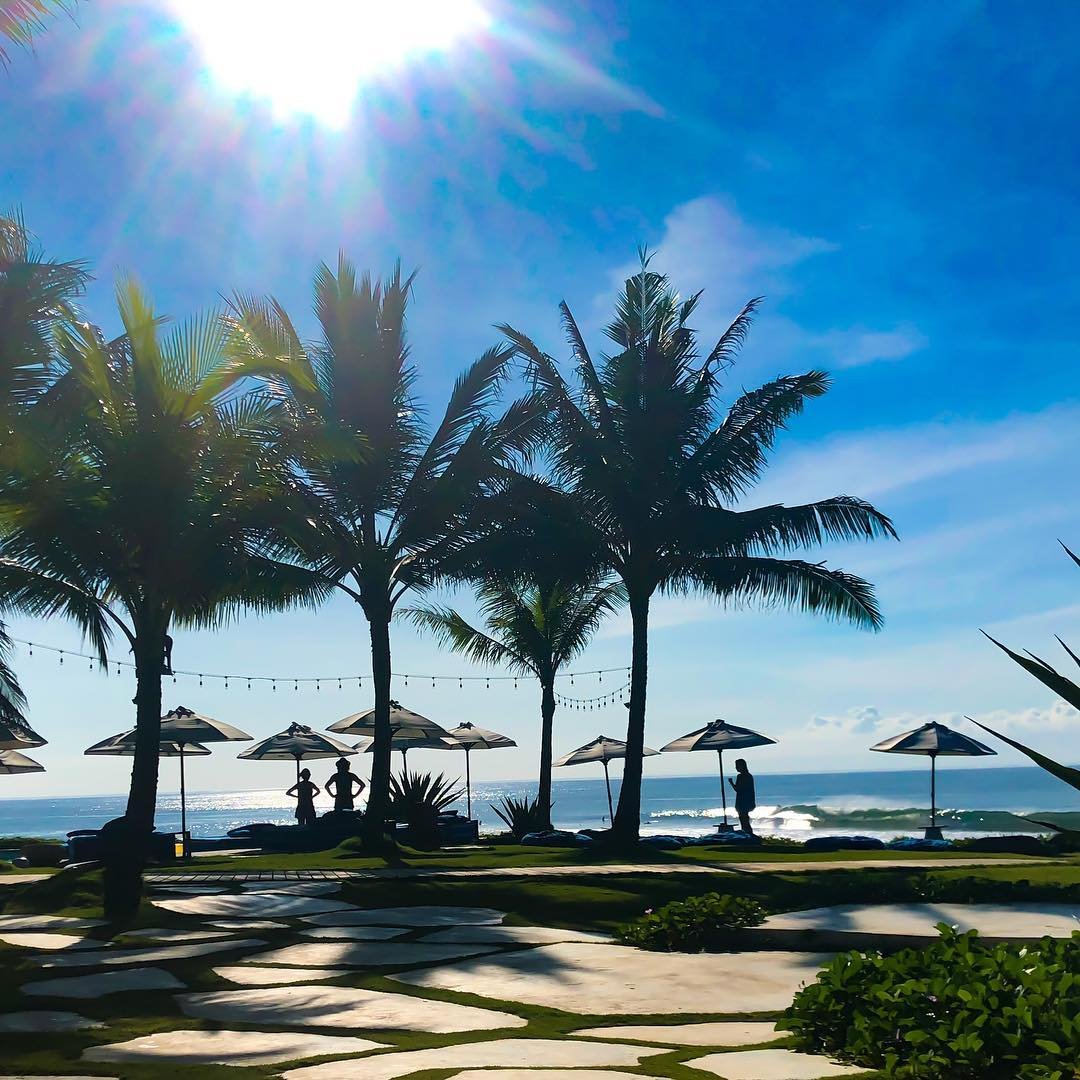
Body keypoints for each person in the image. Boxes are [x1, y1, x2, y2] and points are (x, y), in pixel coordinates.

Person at [728, 757, 756, 834]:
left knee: (744, 821)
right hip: (747, 801)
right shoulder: (749, 776)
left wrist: (731, 783)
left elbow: (738, 789)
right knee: (745, 821)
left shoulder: (741, 776)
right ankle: (748, 835)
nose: (736, 768)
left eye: (737, 766)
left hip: (743, 802)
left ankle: (749, 836)